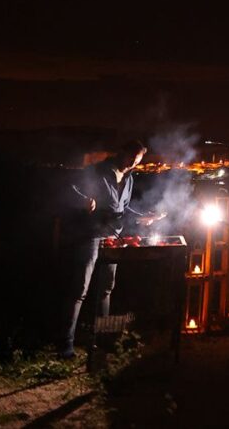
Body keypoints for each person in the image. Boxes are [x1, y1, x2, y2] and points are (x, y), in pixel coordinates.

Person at [59, 140, 159, 358]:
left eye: (137, 161)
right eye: (131, 158)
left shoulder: (130, 178)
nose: (133, 163)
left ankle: (101, 341)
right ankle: (65, 345)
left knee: (106, 289)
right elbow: (70, 188)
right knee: (80, 290)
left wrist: (141, 218)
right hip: (92, 234)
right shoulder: (98, 171)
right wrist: (83, 201)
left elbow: (122, 209)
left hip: (113, 237)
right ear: (122, 152)